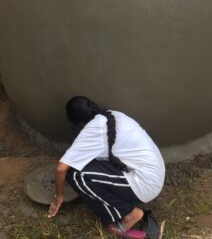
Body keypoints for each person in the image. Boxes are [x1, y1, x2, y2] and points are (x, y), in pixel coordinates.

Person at [48, 96, 165, 238]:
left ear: (78, 123)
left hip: (145, 183)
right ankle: (126, 204)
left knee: (75, 174)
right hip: (154, 174)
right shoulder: (113, 115)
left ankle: (130, 215)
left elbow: (61, 168)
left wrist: (58, 196)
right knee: (85, 165)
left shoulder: (92, 131)